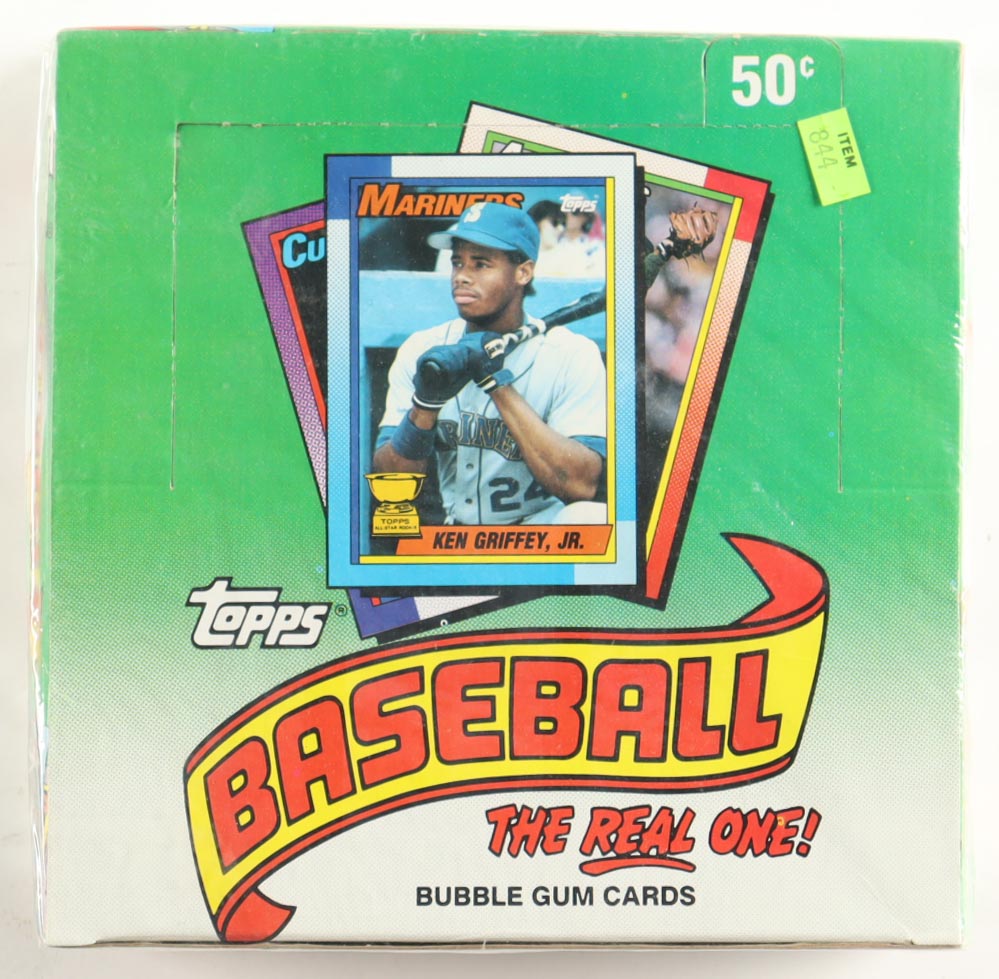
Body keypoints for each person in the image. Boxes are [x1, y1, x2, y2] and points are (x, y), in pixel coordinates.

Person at [370, 201, 607, 527]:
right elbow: (393, 484)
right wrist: (424, 406)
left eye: (480, 264)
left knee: (590, 517)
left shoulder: (571, 354)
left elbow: (581, 484)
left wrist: (497, 382)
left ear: (523, 272)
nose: (462, 277)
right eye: (457, 263)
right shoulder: (422, 349)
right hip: (455, 537)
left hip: (541, 534)